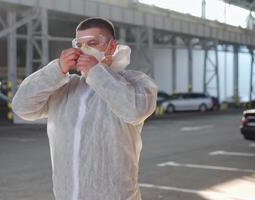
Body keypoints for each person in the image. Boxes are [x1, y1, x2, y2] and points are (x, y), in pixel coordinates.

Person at [12, 17, 158, 200]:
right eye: (79, 44)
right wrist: (56, 70)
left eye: (92, 43)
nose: (84, 50)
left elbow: (134, 111)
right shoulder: (65, 88)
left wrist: (96, 71)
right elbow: (22, 107)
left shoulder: (135, 82)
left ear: (111, 47)